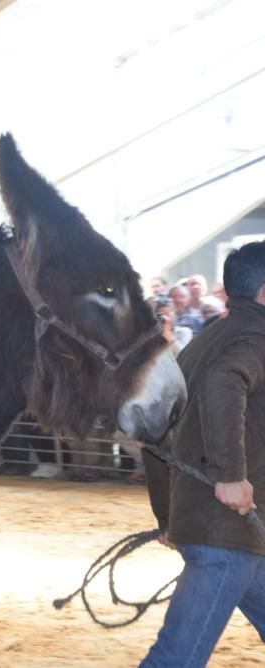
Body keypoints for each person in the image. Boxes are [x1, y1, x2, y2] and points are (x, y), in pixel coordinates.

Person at [141, 241, 265, 667]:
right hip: (229, 534)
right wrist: (231, 474)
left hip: (230, 533)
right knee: (176, 658)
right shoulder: (258, 338)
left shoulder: (203, 342)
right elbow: (224, 382)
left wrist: (167, 516)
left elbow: (156, 428)